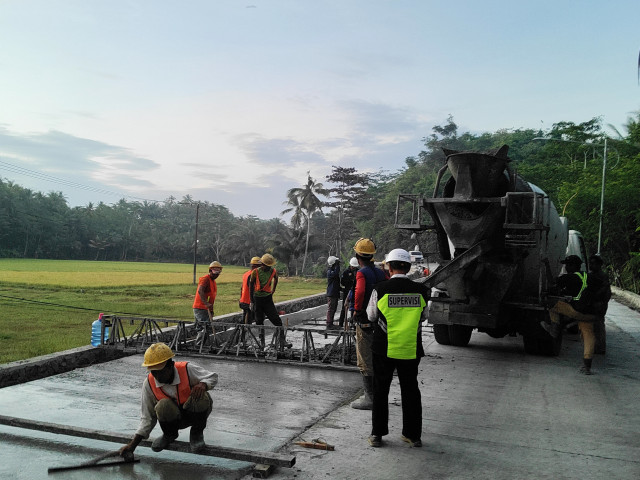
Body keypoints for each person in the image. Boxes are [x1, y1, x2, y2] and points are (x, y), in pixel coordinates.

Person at [366, 248, 430, 448]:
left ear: (389, 267)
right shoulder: (421, 291)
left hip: (384, 347)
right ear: (409, 267)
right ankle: (413, 435)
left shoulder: (380, 289)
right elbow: (424, 316)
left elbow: (371, 316)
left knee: (380, 389)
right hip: (410, 348)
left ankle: (377, 435)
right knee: (410, 390)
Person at [119, 343, 218, 456]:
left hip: (193, 414)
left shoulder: (186, 369)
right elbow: (147, 417)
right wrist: (132, 445)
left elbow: (213, 377)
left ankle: (196, 433)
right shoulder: (149, 384)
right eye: (153, 372)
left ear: (171, 365)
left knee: (202, 397)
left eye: (161, 371)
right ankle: (169, 434)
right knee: (162, 405)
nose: (158, 376)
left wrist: (203, 384)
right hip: (173, 420)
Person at [542, 255, 602, 374]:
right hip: (592, 314)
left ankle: (554, 328)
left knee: (552, 303)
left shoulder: (570, 277)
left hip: (578, 311)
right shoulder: (590, 277)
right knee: (588, 336)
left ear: (573, 266)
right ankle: (587, 367)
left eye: (567, 265)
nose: (566, 267)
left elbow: (552, 283)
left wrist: (547, 265)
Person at [351, 238, 387, 410]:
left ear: (358, 255)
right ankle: (379, 395)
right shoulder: (381, 273)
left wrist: (357, 311)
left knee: (364, 358)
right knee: (377, 356)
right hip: (379, 319)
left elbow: (359, 293)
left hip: (364, 320)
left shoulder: (362, 273)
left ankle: (370, 398)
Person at [250, 253, 291, 350]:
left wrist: (273, 290)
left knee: (277, 320)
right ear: (262, 264)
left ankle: (282, 340)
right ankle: (262, 342)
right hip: (258, 299)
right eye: (265, 266)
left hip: (267, 299)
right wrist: (252, 301)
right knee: (259, 321)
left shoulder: (273, 271)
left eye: (269, 266)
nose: (267, 268)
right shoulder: (255, 272)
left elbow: (276, 279)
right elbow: (251, 286)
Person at [192, 261, 223, 341]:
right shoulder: (205, 279)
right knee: (204, 327)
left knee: (203, 327)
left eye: (218, 272)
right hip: (200, 307)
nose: (216, 274)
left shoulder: (213, 282)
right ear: (210, 271)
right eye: (214, 272)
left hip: (206, 308)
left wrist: (211, 310)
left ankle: (203, 345)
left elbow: (211, 297)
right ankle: (199, 345)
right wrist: (206, 303)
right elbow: (200, 291)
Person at [589, 254, 611, 354]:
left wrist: (601, 302)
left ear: (599, 265)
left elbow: (606, 292)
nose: (591, 265)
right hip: (595, 303)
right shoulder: (593, 275)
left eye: (593, 264)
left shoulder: (602, 276)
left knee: (598, 325)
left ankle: (600, 347)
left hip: (599, 304)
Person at [240, 256, 262, 325]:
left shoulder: (246, 274)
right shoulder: (253, 275)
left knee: (246, 320)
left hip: (243, 301)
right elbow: (251, 289)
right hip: (249, 302)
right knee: (251, 321)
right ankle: (246, 334)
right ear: (256, 266)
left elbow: (242, 288)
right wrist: (253, 302)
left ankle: (243, 334)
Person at [338, 257, 359, 328]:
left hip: (355, 292)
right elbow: (342, 282)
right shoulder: (346, 272)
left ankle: (353, 323)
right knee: (344, 307)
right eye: (353, 266)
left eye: (355, 267)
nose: (353, 268)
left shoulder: (358, 271)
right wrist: (350, 281)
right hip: (347, 292)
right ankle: (341, 323)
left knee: (354, 307)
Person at [326, 256, 341, 330]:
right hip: (331, 294)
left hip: (335, 293)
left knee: (334, 309)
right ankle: (329, 324)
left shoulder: (333, 271)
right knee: (331, 309)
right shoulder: (330, 272)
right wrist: (337, 265)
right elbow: (335, 273)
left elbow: (336, 283)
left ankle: (331, 323)